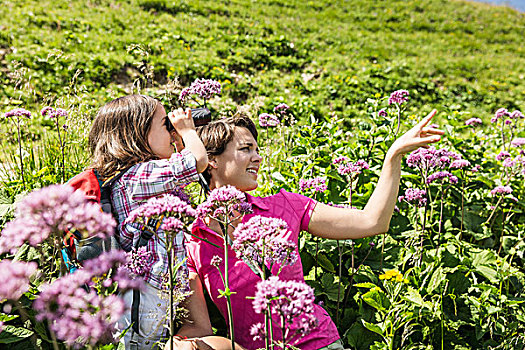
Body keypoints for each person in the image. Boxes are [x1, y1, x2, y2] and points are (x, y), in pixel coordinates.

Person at [176, 110, 444, 349]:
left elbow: (372, 221)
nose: (257, 158)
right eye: (246, 149)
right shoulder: (192, 240)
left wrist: (393, 155)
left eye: (258, 150)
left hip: (315, 343)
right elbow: (199, 330)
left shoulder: (285, 206)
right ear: (211, 161)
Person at [88, 95, 236, 349]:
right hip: (142, 298)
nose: (172, 129)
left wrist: (178, 140)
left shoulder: (139, 178)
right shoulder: (137, 176)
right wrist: (188, 130)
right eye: (165, 124)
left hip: (151, 294)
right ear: (136, 134)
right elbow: (197, 162)